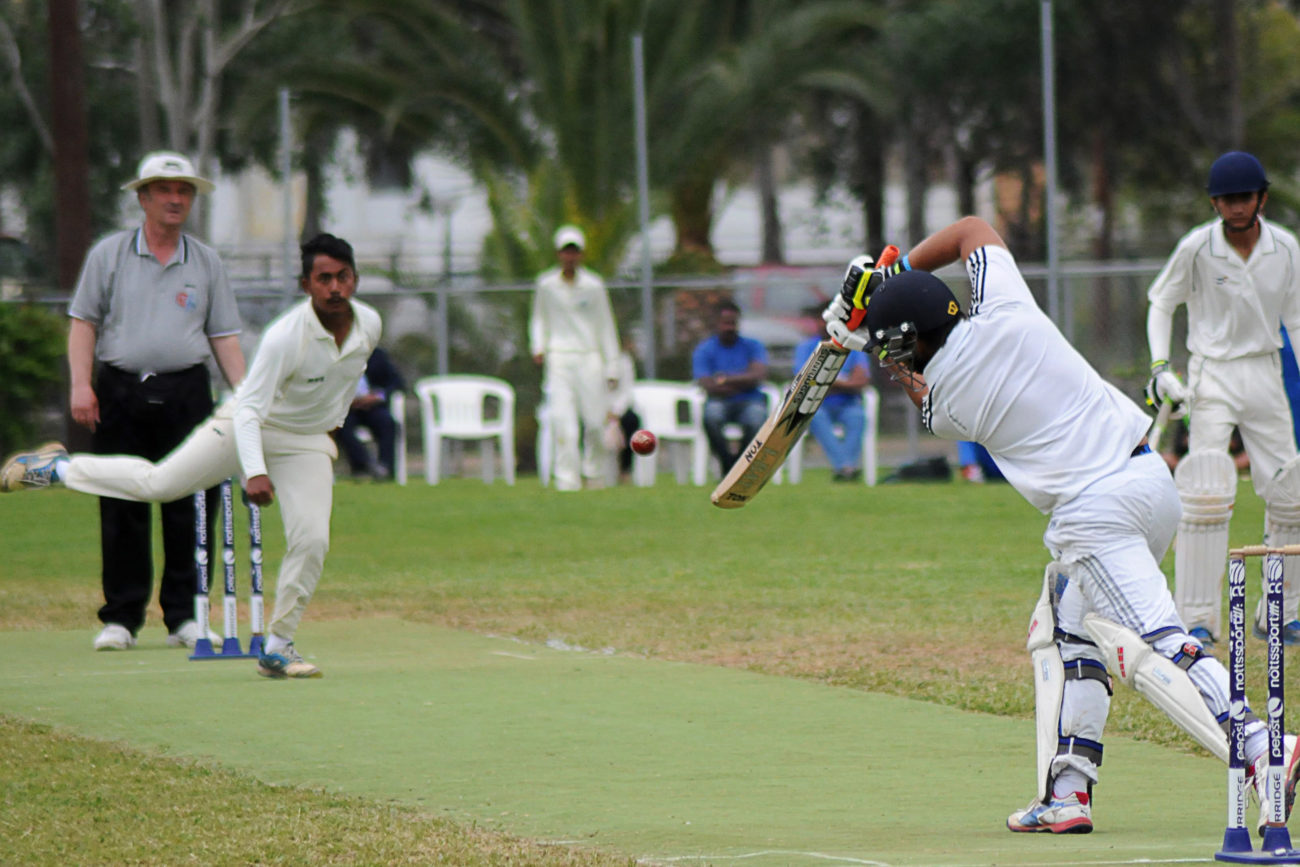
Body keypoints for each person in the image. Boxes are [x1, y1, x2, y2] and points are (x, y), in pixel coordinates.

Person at [823, 215, 1299, 835]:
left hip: (1095, 516)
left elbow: (917, 389)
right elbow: (971, 229)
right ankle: (1068, 792)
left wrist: (854, 336)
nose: (892, 358)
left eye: (896, 345)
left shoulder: (951, 399)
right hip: (1151, 482)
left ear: (919, 338)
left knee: (1159, 641)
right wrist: (901, 271)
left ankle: (1265, 747)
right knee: (1066, 621)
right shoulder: (1005, 304)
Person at [2, 233, 381, 680]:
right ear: (306, 285)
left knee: (312, 539)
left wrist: (329, 423)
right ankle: (59, 468)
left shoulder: (370, 325)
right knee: (160, 484)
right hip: (245, 424)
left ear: (354, 279)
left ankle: (278, 646)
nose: (335, 287)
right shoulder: (285, 336)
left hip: (305, 440)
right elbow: (250, 408)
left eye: (343, 277)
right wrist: (255, 471)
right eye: (324, 278)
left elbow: (341, 378)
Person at [61, 151, 246, 652]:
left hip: (187, 391)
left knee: (192, 502)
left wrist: (246, 400)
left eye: (183, 190)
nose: (174, 199)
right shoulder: (110, 254)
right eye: (163, 190)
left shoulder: (205, 260)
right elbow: (84, 323)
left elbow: (224, 336)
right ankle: (121, 617)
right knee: (122, 500)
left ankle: (185, 615)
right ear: (143, 197)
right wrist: (82, 384)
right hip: (120, 387)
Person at [1146, 151, 1300, 647]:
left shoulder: (1286, 248)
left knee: (1292, 492)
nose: (1236, 208)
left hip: (1264, 370)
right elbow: (1161, 302)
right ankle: (1199, 619)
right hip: (1211, 374)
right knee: (1206, 488)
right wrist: (1159, 368)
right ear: (1215, 202)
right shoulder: (1197, 247)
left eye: (1244, 198)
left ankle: (1283, 612)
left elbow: (1296, 320)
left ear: (1262, 198)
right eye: (1226, 200)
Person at [529, 225, 621, 491]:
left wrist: (612, 366)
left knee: (594, 422)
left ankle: (594, 474)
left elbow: (606, 325)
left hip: (589, 357)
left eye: (575, 252)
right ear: (559, 254)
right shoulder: (546, 284)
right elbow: (538, 318)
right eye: (566, 251)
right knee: (563, 421)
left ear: (581, 255)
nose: (570, 257)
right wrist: (538, 346)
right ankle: (567, 479)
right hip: (559, 358)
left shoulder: (593, 285)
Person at [693, 300, 769, 475]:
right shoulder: (704, 350)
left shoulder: (753, 346)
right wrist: (742, 381)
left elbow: (758, 376)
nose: (729, 327)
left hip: (750, 400)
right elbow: (707, 384)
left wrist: (724, 379)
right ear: (716, 323)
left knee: (757, 418)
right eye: (725, 323)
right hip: (719, 400)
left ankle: (740, 464)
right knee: (711, 417)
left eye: (733, 323)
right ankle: (727, 463)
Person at [792, 314, 871, 481]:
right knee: (815, 417)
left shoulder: (853, 346)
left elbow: (861, 380)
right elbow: (804, 380)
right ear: (818, 322)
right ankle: (845, 467)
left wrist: (827, 381)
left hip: (847, 404)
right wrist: (844, 381)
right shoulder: (806, 347)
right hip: (816, 404)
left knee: (858, 417)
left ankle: (844, 468)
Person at [333, 346, 405, 480]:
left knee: (387, 423)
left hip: (371, 406)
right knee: (340, 425)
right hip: (344, 408)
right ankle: (364, 465)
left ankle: (385, 469)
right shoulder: (331, 355)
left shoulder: (376, 354)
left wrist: (377, 396)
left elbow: (397, 383)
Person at [607, 335, 642, 483]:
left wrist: (616, 412)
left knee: (631, 421)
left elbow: (627, 391)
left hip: (618, 410)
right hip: (597, 408)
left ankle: (625, 470)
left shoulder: (624, 361)